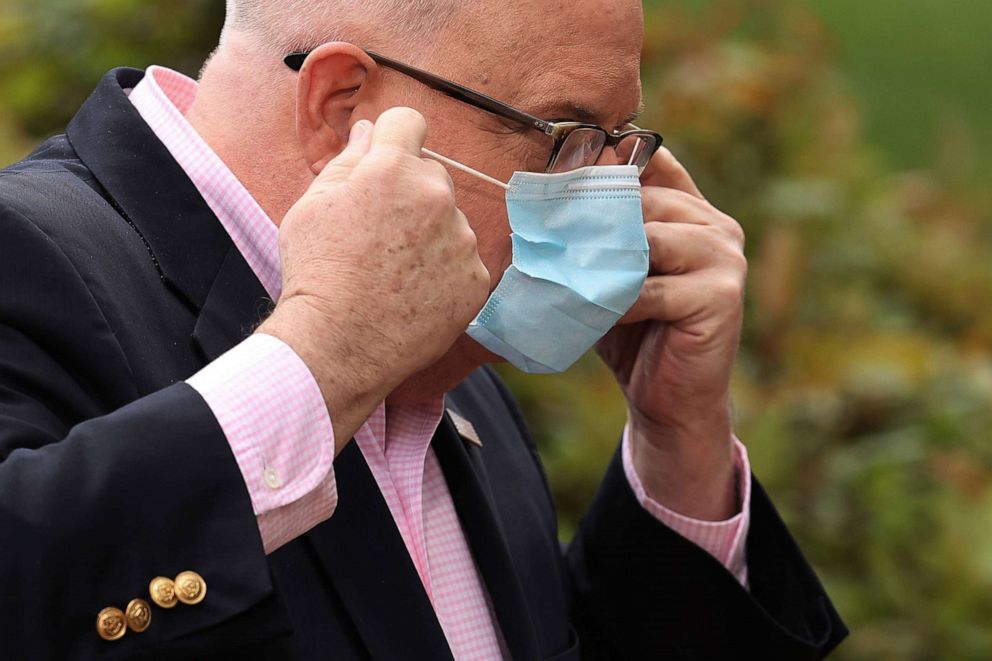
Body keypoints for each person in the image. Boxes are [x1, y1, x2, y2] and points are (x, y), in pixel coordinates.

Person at [0, 0, 847, 658]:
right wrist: (322, 359)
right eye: (566, 140)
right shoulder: (28, 254)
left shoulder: (456, 370)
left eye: (619, 144)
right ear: (341, 109)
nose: (610, 206)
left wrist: (680, 444)